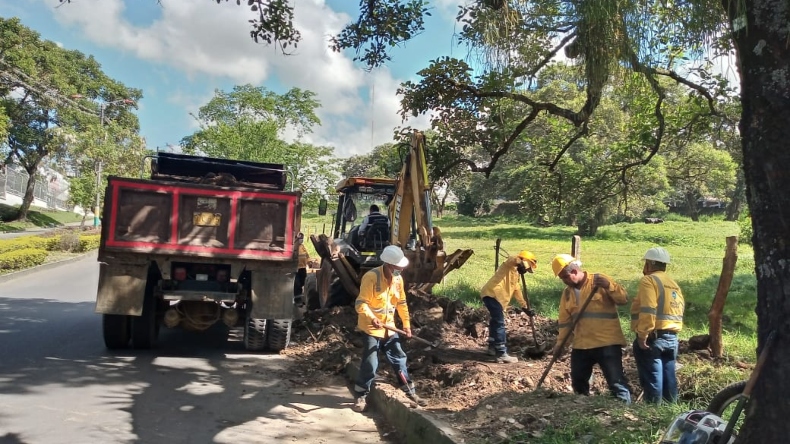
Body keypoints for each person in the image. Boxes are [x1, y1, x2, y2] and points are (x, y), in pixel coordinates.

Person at [352, 245, 426, 412]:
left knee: (399, 357)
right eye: (398, 268)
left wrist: (407, 325)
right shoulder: (371, 277)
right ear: (388, 265)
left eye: (401, 268)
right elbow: (360, 303)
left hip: (390, 328)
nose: (400, 271)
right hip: (371, 328)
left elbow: (401, 303)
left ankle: (410, 392)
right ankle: (361, 395)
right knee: (371, 362)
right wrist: (373, 318)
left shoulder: (398, 280)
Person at [551, 253, 632, 404]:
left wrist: (609, 286)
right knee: (579, 383)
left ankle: (624, 413)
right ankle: (582, 411)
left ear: (574, 271)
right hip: (582, 345)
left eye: (565, 277)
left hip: (606, 343)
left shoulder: (599, 281)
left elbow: (623, 299)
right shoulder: (567, 294)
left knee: (616, 382)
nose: (564, 282)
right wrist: (561, 344)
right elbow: (565, 323)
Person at [630, 246, 684, 404]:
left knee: (652, 379)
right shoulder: (673, 284)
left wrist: (642, 335)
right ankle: (669, 412)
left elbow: (648, 308)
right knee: (669, 378)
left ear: (649, 264)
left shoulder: (649, 280)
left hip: (653, 338)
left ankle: (652, 414)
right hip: (672, 337)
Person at [480, 250, 538, 363]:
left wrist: (524, 307)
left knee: (495, 321)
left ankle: (492, 347)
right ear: (525, 261)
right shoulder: (510, 265)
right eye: (528, 267)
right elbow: (513, 258)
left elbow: (517, 291)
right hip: (493, 294)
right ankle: (501, 353)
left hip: (496, 298)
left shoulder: (516, 275)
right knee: (499, 322)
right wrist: (521, 264)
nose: (526, 270)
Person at [293, 232, 310, 298]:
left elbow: (306, 255)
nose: (301, 240)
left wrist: (309, 261)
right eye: (300, 238)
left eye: (302, 238)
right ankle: (297, 298)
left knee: (303, 281)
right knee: (297, 284)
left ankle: (301, 296)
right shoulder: (294, 247)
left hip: (303, 267)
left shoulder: (302, 246)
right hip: (297, 268)